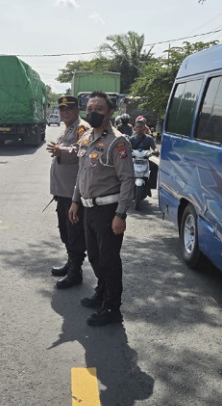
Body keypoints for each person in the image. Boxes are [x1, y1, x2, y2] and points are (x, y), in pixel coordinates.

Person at [69, 91, 135, 326]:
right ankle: (102, 293)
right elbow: (82, 172)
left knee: (108, 260)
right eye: (89, 109)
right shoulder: (86, 137)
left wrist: (121, 214)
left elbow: (127, 179)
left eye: (98, 109)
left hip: (108, 211)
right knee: (95, 257)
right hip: (88, 209)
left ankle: (112, 308)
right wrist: (75, 201)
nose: (93, 113)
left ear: (110, 112)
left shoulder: (118, 142)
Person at [47, 95, 91, 289]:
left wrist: (62, 151)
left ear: (77, 110)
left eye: (69, 109)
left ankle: (76, 271)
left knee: (74, 232)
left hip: (74, 193)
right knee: (65, 230)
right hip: (63, 191)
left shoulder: (82, 128)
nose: (65, 113)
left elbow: (82, 150)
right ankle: (71, 262)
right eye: (62, 109)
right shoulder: (68, 128)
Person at [130, 115, 160, 195]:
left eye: (141, 127)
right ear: (135, 128)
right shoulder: (131, 139)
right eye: (137, 127)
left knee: (155, 167)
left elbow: (154, 147)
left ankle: (150, 186)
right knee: (123, 168)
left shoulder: (149, 138)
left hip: (145, 160)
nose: (139, 128)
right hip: (133, 161)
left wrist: (156, 151)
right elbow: (126, 147)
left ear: (144, 128)